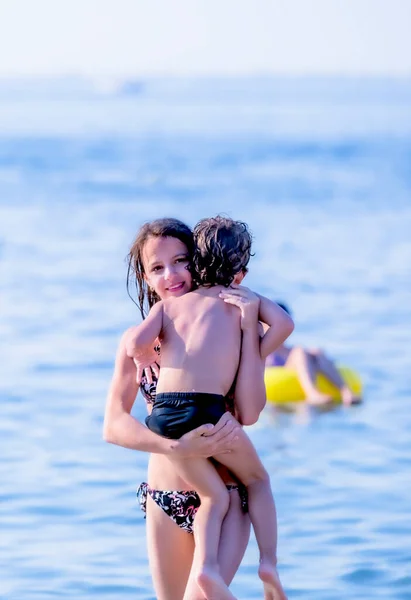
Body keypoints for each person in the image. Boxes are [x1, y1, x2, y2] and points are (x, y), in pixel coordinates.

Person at [104, 217, 293, 600]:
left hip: (226, 494)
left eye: (181, 260)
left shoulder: (235, 323)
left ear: (201, 261)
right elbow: (113, 425)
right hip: (164, 498)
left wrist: (248, 335)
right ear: (145, 276)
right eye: (157, 267)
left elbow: (251, 412)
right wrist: (174, 448)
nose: (171, 275)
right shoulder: (137, 342)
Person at [265, 302, 361, 405]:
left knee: (316, 351)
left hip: (295, 381)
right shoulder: (265, 350)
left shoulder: (290, 351)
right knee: (299, 351)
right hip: (278, 386)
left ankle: (346, 392)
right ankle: (312, 393)